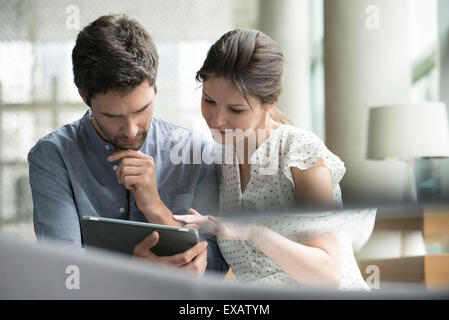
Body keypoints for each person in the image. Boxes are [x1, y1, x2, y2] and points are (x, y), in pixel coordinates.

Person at [174, 29, 376, 290]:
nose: (216, 119)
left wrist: (252, 232)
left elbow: (327, 275)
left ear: (269, 103)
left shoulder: (301, 153)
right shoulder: (222, 158)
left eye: (235, 109)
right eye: (209, 101)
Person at [28, 15, 228, 277]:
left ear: (155, 87)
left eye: (141, 109)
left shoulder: (196, 152)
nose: (131, 130)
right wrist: (132, 273)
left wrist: (155, 207)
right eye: (113, 117)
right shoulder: (54, 157)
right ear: (84, 97)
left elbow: (216, 267)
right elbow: (62, 274)